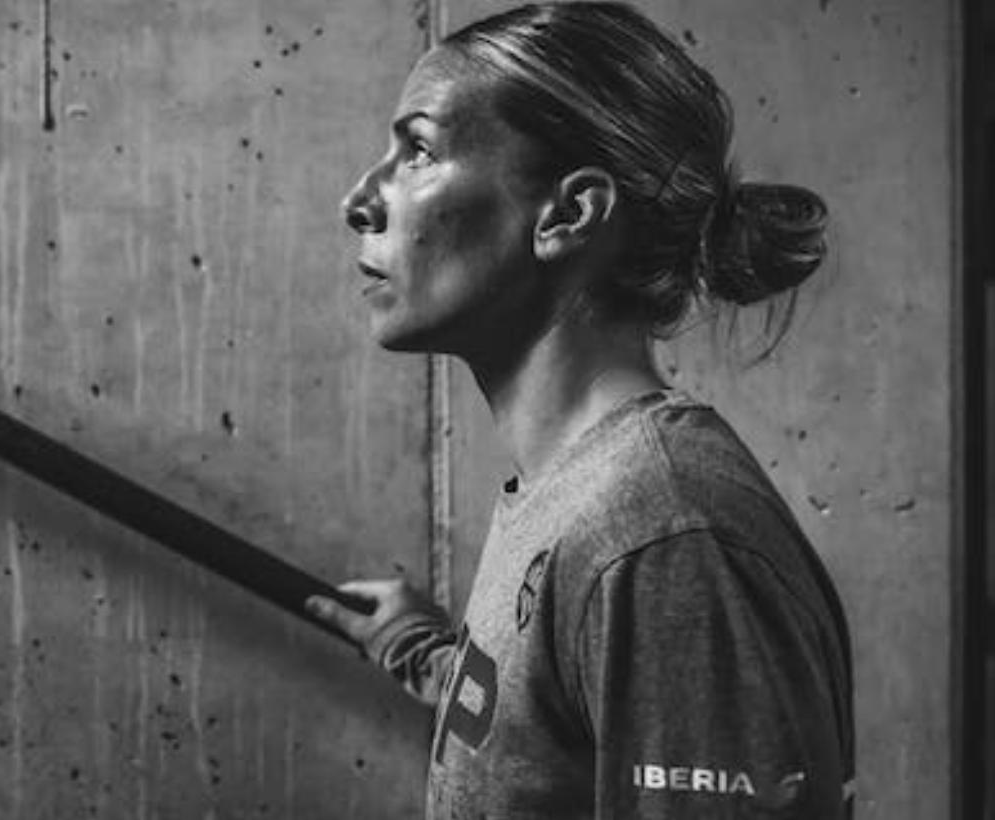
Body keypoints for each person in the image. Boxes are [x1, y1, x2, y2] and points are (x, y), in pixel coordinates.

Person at [305, 3, 855, 818]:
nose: (359, 199)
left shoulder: (663, 538)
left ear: (568, 214)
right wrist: (419, 648)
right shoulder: (584, 503)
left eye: (418, 150)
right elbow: (545, 725)